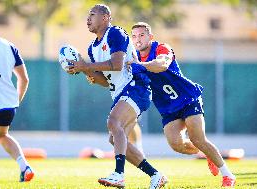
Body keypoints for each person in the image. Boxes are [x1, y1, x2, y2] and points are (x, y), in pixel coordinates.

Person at [67, 4, 167, 189]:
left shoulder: (115, 33)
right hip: (121, 92)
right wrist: (83, 71)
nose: (88, 19)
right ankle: (156, 175)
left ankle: (119, 175)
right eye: (87, 15)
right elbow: (105, 80)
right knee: (115, 139)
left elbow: (117, 64)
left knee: (114, 122)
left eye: (92, 14)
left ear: (105, 17)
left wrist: (85, 66)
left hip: (136, 86)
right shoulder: (92, 48)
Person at [127, 22, 236, 187]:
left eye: (142, 35)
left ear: (150, 37)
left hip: (188, 98)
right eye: (134, 36)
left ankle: (228, 175)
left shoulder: (161, 48)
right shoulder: (133, 57)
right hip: (168, 108)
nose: (138, 39)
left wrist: (139, 65)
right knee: (176, 145)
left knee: (197, 138)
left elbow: (161, 65)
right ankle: (208, 154)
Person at [0, 10, 34, 182]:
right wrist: (15, 102)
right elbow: (24, 79)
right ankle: (25, 167)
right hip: (6, 105)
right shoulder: (9, 46)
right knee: (1, 135)